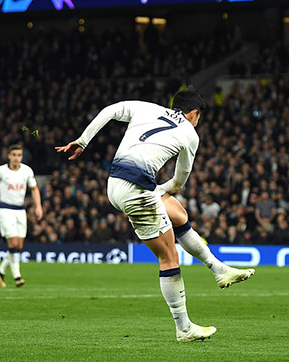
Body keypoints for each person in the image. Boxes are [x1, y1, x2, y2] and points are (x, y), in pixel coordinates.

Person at [56, 87, 251, 343]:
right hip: (136, 191)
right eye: (199, 117)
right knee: (168, 257)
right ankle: (184, 328)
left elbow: (110, 111)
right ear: (194, 113)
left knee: (178, 214)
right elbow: (179, 181)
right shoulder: (190, 134)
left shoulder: (147, 107)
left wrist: (82, 141)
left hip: (115, 183)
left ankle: (219, 269)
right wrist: (160, 189)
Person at [0, 144, 43, 288]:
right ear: (9, 156)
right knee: (12, 243)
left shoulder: (27, 171)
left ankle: (0, 271)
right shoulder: (0, 171)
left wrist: (38, 206)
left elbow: (35, 189)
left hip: (20, 210)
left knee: (19, 246)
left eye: (19, 155)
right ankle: (17, 277)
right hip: (5, 209)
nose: (17, 158)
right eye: (14, 155)